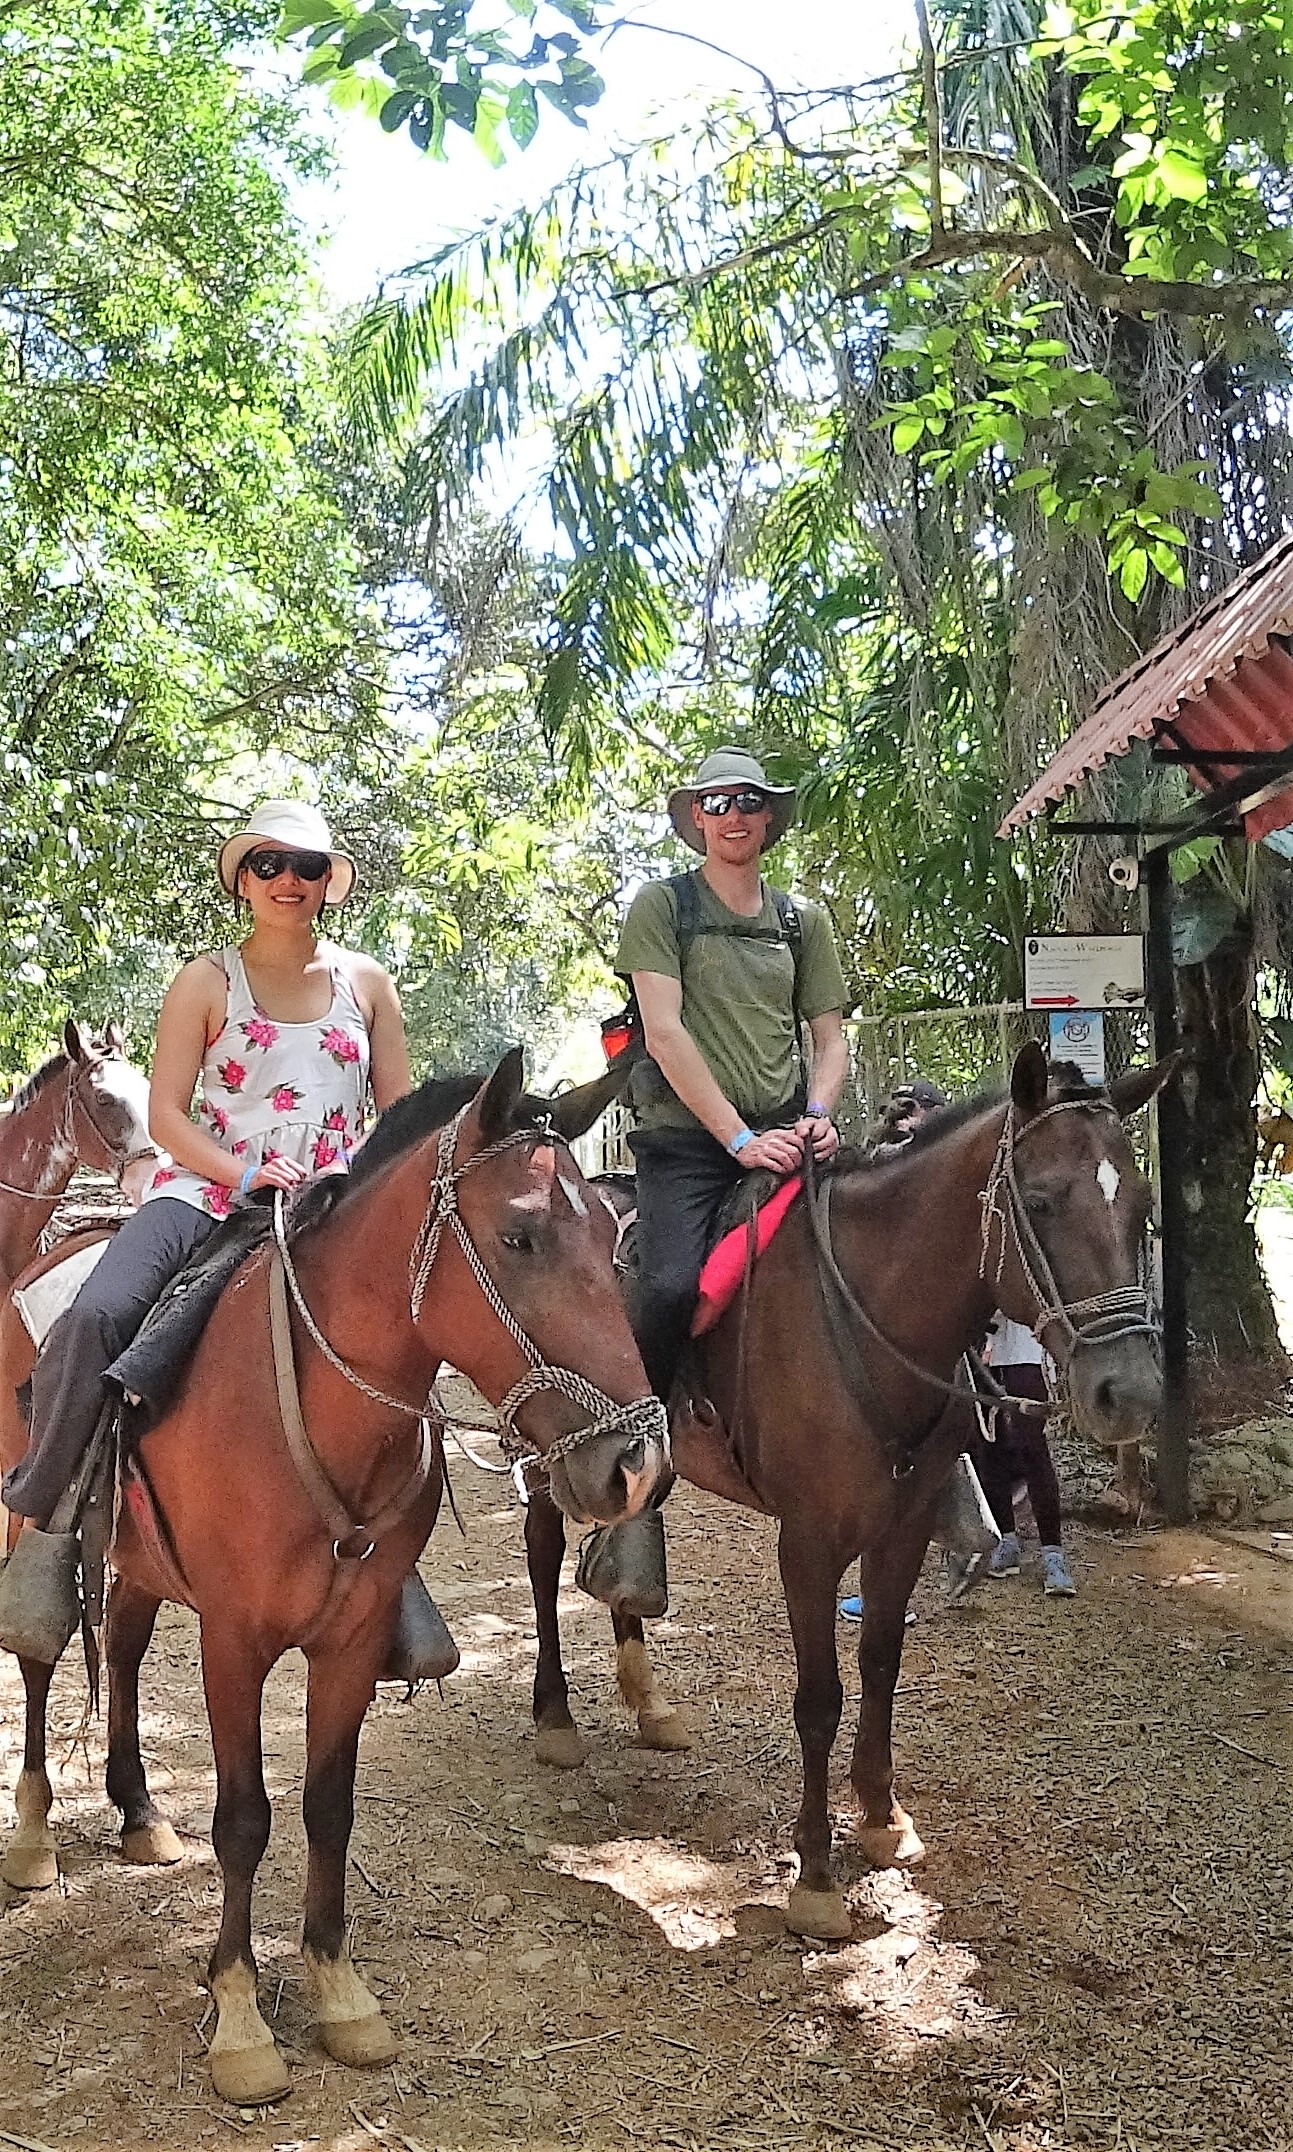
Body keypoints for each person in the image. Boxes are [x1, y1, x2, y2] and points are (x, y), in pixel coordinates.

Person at [0, 800, 454, 1677]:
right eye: (271, 864)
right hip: (208, 1195)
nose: (290, 880)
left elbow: (397, 1120)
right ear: (244, 879)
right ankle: (49, 1529)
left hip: (332, 1208)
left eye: (308, 867)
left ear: (329, 883)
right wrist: (243, 1175)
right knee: (94, 1318)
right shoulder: (204, 981)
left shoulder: (369, 985)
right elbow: (166, 1117)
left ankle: (394, 1571)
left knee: (418, 1348)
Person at [970, 1314, 1077, 1596]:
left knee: (1031, 1448)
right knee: (989, 1447)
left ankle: (1053, 1555)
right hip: (986, 1352)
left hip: (1028, 1350)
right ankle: (1006, 1540)